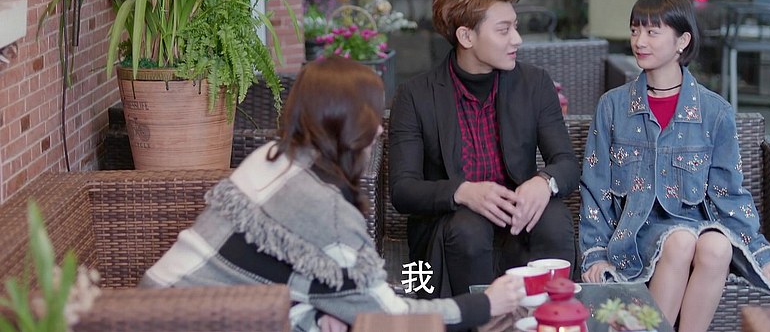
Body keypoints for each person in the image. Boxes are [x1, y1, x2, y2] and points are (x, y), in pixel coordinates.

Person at [139, 56, 524, 332]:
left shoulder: (272, 157)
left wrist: (324, 311)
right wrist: (485, 303)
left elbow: (275, 271)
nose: (380, 131)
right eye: (372, 116)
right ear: (351, 125)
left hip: (149, 307)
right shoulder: (325, 208)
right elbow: (386, 317)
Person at [578, 0, 770, 332]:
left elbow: (729, 195)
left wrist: (762, 256)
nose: (639, 41)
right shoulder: (613, 106)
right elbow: (596, 188)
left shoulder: (715, 112)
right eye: (635, 30)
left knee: (717, 245)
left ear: (682, 41)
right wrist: (595, 254)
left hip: (698, 230)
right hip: (636, 237)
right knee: (680, 240)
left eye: (652, 32)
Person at [389, 0, 580, 298]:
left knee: (553, 219)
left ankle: (552, 314)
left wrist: (543, 182)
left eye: (515, 27)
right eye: (504, 30)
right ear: (466, 37)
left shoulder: (534, 84)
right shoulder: (415, 96)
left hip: (517, 219)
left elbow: (566, 163)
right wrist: (462, 192)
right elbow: (403, 190)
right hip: (454, 229)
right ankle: (475, 317)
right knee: (468, 228)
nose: (517, 39)